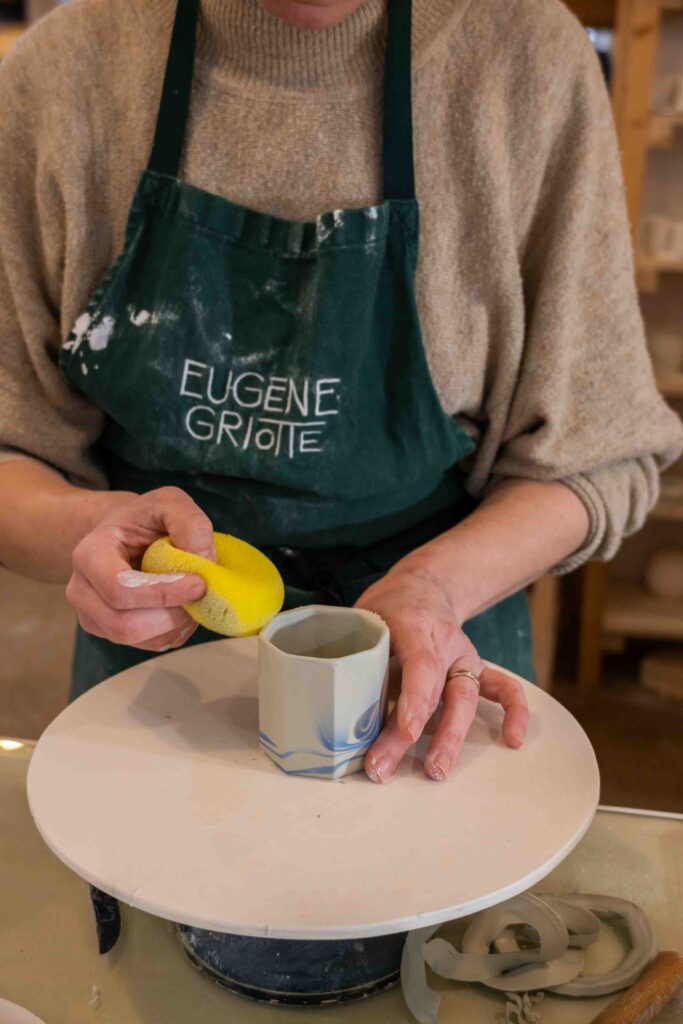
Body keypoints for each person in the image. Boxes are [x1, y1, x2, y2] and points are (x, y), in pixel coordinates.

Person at [0, 0, 681, 792]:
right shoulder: (64, 72)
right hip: (158, 699)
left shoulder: (523, 60)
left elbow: (596, 457)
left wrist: (432, 587)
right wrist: (83, 531)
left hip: (425, 679)